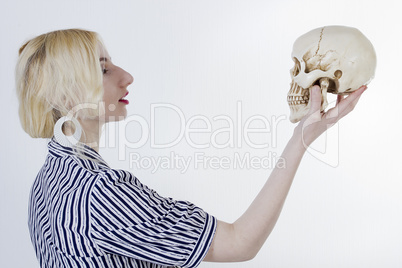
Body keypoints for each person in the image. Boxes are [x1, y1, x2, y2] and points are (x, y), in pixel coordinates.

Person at [16, 29, 366, 268]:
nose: (126, 76)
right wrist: (301, 140)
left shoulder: (47, 181)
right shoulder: (99, 193)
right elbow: (240, 242)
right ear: (64, 96)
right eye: (104, 69)